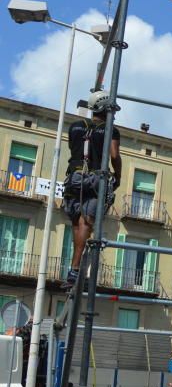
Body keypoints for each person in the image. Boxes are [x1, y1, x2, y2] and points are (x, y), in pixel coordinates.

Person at [61, 90, 122, 290]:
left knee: (76, 224)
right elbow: (114, 155)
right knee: (86, 222)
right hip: (96, 178)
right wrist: (118, 176)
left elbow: (73, 148)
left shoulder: (75, 126)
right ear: (106, 109)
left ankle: (73, 268)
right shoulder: (110, 129)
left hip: (74, 177)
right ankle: (76, 268)